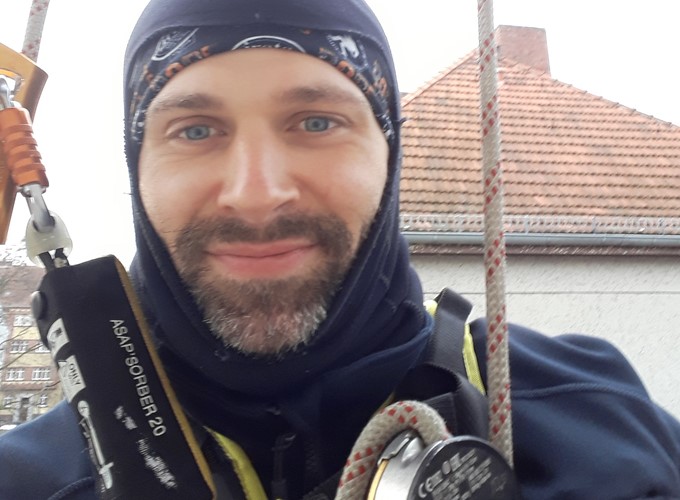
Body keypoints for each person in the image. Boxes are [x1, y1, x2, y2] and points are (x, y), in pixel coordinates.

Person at [1, 0, 679, 498]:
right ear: (136, 165)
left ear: (390, 155)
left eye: (317, 121)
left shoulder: (595, 426)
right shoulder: (32, 477)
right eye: (197, 129)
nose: (256, 193)